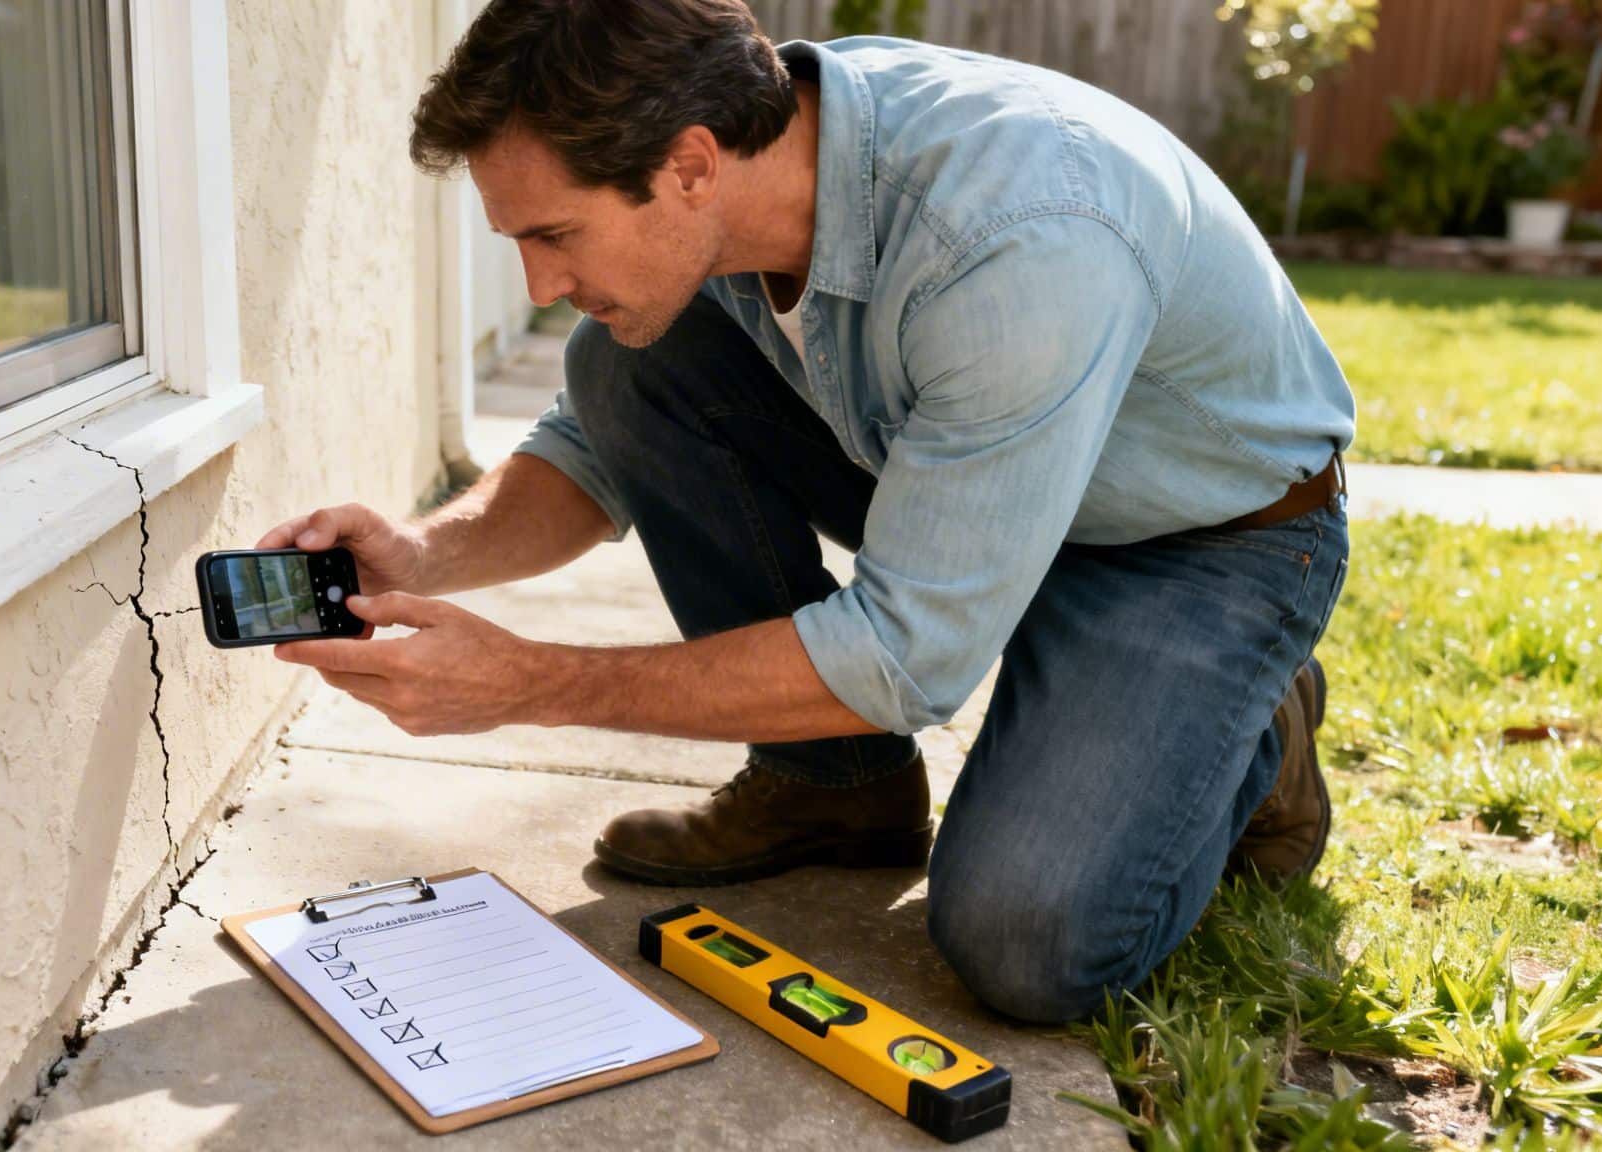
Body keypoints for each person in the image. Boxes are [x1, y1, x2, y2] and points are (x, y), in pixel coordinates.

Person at [261, 0, 1354, 1024]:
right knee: (623, 362)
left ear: (689, 164)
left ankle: (1252, 719)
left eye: (554, 234)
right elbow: (596, 447)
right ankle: (832, 787)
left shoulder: (1017, 233)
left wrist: (531, 685)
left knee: (1027, 940)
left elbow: (908, 657)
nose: (539, 282)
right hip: (977, 473)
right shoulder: (763, 168)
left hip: (1200, 545)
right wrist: (416, 555)